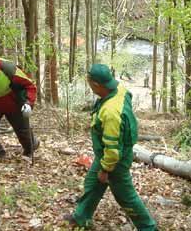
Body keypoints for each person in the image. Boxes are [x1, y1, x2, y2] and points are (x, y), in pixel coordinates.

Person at [65, 63, 156, 230]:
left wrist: (106, 169)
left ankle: (148, 227)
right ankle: (81, 218)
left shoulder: (111, 112)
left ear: (96, 85)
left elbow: (113, 151)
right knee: (92, 183)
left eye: (89, 81)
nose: (89, 84)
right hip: (106, 154)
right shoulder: (119, 88)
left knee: (125, 196)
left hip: (115, 159)